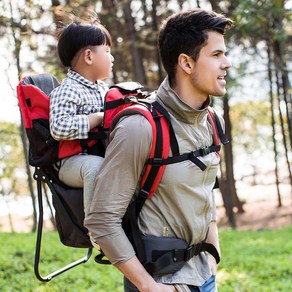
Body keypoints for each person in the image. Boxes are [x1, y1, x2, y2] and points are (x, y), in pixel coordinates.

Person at [84, 8, 233, 292]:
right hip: (161, 282)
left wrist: (213, 250)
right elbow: (102, 220)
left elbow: (205, 190)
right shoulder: (140, 127)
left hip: (205, 277)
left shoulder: (213, 121)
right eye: (216, 55)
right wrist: (149, 287)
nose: (227, 63)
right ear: (186, 64)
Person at [49, 17, 114, 215]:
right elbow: (58, 127)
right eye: (107, 52)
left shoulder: (103, 89)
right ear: (88, 56)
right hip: (72, 163)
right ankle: (97, 226)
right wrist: (97, 117)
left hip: (99, 153)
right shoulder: (68, 89)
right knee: (95, 167)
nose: (112, 58)